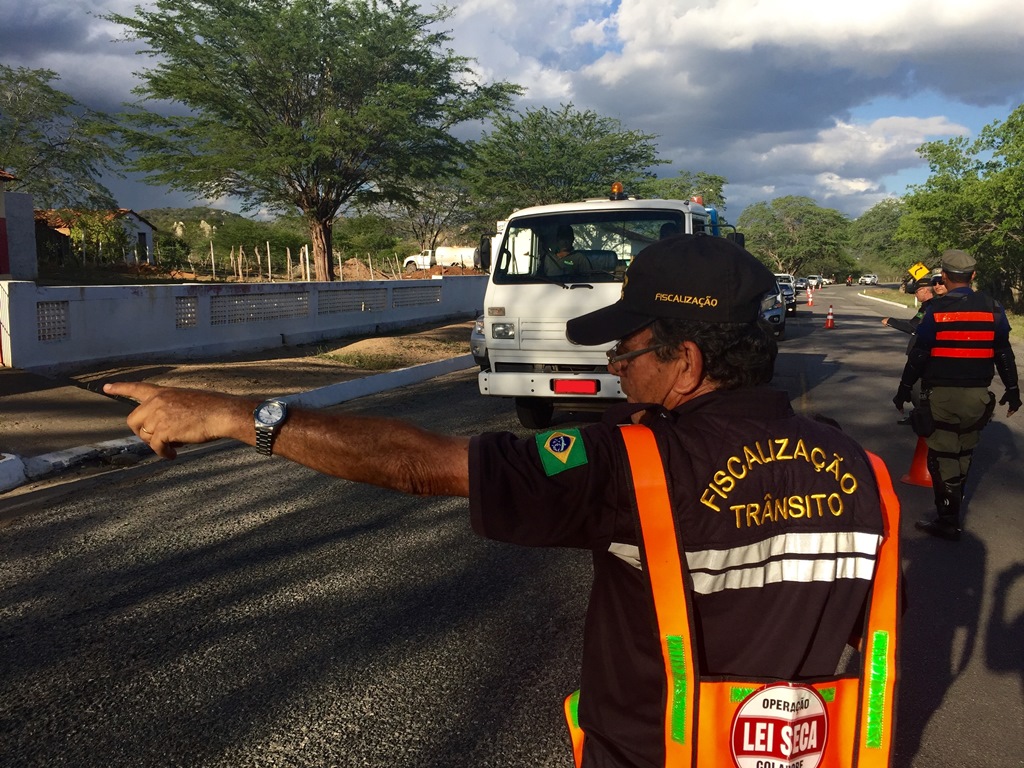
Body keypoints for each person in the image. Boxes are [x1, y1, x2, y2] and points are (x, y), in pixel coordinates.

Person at [106, 234, 901, 767]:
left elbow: (422, 465)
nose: (618, 373)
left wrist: (237, 415)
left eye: (626, 354)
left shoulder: (630, 463)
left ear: (685, 360)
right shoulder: (860, 466)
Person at [893, 248, 1020, 541]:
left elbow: (919, 356)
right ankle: (952, 511)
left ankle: (947, 520)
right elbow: (1003, 352)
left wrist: (903, 390)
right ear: (973, 276)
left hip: (943, 396)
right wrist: (1012, 390)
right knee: (964, 452)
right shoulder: (994, 308)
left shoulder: (936, 311)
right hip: (978, 397)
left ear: (946, 277)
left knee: (942, 457)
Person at [883, 277, 947, 423]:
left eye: (917, 291)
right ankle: (920, 415)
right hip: (934, 355)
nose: (915, 295)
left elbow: (913, 327)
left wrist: (891, 321)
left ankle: (923, 418)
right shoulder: (931, 305)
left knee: (915, 387)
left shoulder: (929, 306)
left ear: (925, 290)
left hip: (924, 354)